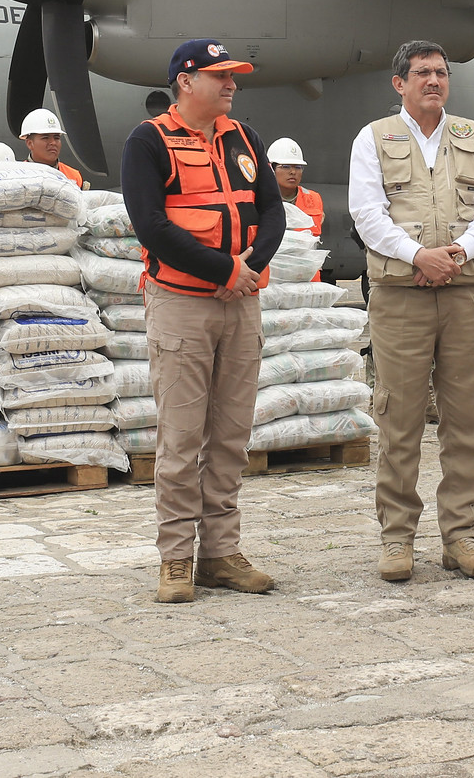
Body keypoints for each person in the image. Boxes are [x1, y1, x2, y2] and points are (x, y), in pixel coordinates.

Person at [121, 40, 287, 603]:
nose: (232, 85)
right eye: (221, 76)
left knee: (232, 436)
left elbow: (271, 209)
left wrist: (248, 269)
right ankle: (175, 560)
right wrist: (225, 269)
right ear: (186, 81)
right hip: (182, 305)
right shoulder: (148, 141)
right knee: (182, 436)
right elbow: (152, 227)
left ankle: (221, 553)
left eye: (234, 76)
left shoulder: (245, 138)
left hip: (240, 302)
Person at [348, 39, 474, 582]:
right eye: (422, 74)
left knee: (468, 417)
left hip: (463, 292)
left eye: (441, 73)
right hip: (400, 295)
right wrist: (418, 255)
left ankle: (461, 534)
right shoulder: (373, 139)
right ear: (400, 83)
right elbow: (367, 212)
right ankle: (397, 540)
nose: (434, 81)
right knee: (400, 417)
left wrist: (458, 253)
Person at [267, 137, 325, 281]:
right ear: (271, 168)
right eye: (285, 166)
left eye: (298, 167)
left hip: (306, 276)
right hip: (273, 277)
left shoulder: (314, 198)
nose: (293, 172)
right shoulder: (260, 199)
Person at [19, 108, 84, 188]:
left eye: (56, 138)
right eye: (45, 138)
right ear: (30, 144)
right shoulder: (18, 176)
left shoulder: (73, 176)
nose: (53, 143)